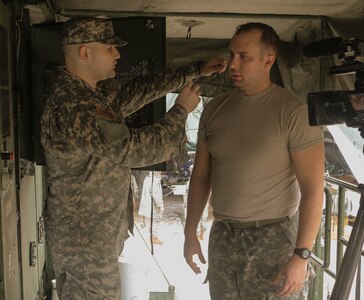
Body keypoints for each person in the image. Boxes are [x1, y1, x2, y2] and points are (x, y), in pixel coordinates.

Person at [40, 16, 226, 299]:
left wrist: (196, 70)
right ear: (85, 52)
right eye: (109, 48)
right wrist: (180, 112)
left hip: (94, 232)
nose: (117, 54)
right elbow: (133, 150)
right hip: (84, 239)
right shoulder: (74, 107)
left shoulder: (93, 94)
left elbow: (141, 89)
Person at [183, 22, 325, 300]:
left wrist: (301, 255)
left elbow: (313, 188)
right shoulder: (214, 109)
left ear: (268, 60)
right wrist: (190, 233)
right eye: (231, 54)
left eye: (243, 56)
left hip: (273, 239)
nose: (232, 64)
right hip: (224, 237)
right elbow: (200, 177)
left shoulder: (293, 113)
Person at [138, 171, 165, 244]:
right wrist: (160, 205)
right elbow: (156, 195)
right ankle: (154, 238)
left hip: (147, 205)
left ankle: (152, 237)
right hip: (153, 205)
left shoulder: (147, 178)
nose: (161, 173)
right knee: (156, 221)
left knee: (150, 221)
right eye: (160, 172)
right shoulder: (155, 180)